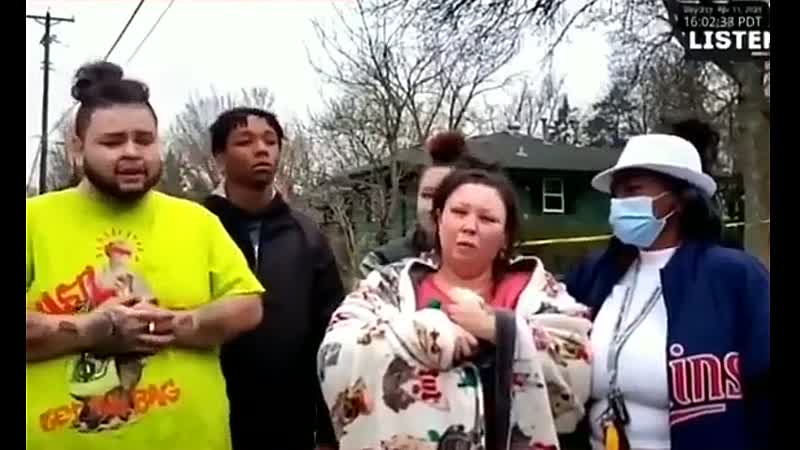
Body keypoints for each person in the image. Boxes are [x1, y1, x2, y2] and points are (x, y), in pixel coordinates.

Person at [25, 62, 265, 450]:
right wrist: (91, 331)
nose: (132, 153)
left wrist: (179, 324)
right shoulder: (33, 220)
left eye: (144, 140)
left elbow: (247, 305)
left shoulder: (196, 221)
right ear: (76, 148)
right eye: (112, 142)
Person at [318, 166, 594, 449]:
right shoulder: (389, 284)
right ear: (438, 220)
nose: (470, 226)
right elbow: (336, 351)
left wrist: (497, 327)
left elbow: (578, 366)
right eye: (459, 212)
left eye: (487, 218)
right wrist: (421, 334)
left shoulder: (537, 289)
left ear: (506, 235)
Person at [565, 122, 769, 450]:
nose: (620, 203)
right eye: (617, 194)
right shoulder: (595, 273)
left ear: (680, 201)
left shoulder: (735, 277)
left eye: (633, 190)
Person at [204, 107, 345, 450]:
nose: (261, 149)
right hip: (210, 417)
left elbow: (331, 332)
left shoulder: (306, 235)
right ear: (219, 158)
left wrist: (329, 431)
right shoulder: (196, 229)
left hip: (291, 422)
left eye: (270, 141)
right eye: (245, 141)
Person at [359, 131, 488, 277]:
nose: (432, 206)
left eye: (445, 196)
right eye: (427, 195)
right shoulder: (382, 263)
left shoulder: (492, 265)